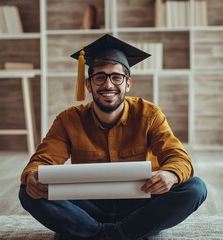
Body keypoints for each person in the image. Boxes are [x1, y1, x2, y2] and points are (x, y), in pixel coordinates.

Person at [19, 34, 207, 240]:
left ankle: (94, 233)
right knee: (27, 192)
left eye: (116, 77)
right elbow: (43, 160)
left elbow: (178, 157)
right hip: (87, 205)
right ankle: (123, 233)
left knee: (196, 188)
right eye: (100, 77)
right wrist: (32, 176)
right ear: (89, 85)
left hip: (139, 202)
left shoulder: (149, 114)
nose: (108, 85)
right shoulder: (69, 119)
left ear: (127, 84)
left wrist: (170, 175)